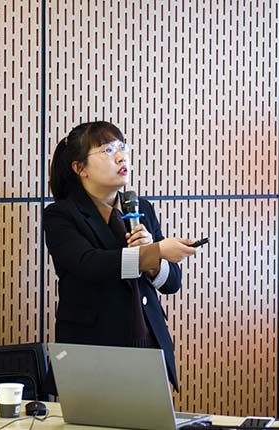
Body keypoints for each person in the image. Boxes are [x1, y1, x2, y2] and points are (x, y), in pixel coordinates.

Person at [44, 121, 198, 391]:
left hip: (148, 343)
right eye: (107, 150)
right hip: (93, 349)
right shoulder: (61, 215)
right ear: (80, 168)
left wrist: (153, 262)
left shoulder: (140, 207)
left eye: (122, 147)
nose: (121, 156)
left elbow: (172, 283)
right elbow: (88, 264)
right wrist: (154, 251)